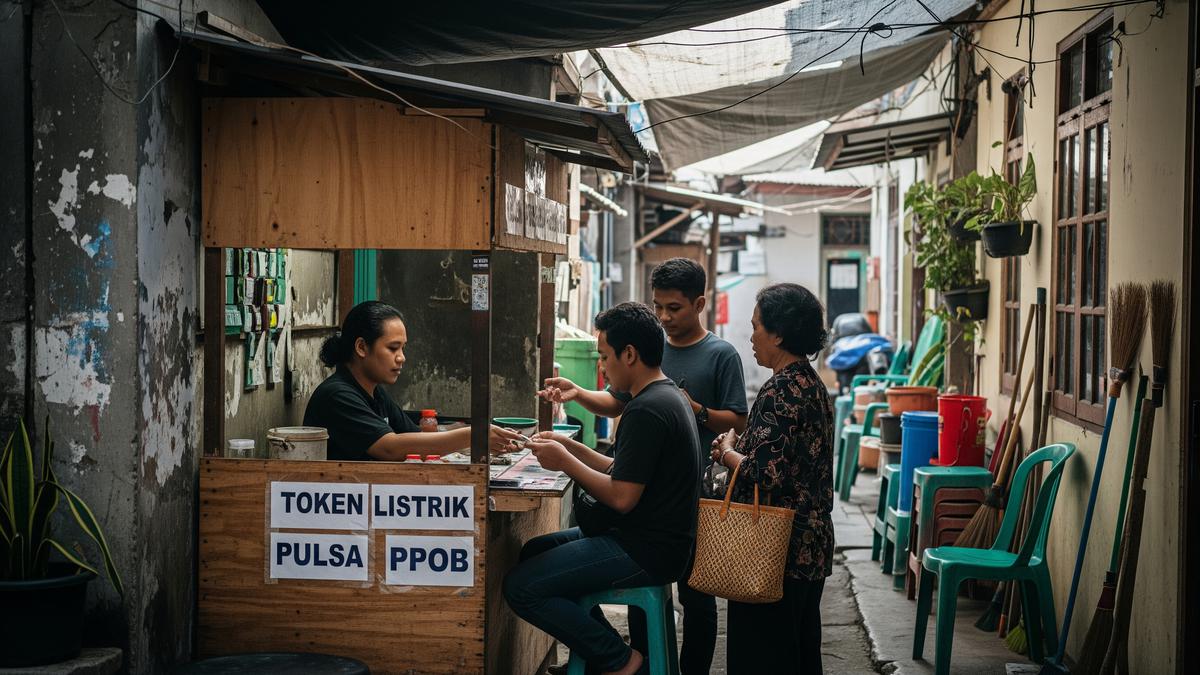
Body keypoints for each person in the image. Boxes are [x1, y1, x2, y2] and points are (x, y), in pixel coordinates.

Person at [537, 257, 746, 674]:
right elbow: (620, 400)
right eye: (658, 307)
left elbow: (738, 420)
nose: (665, 316)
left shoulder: (719, 355)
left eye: (674, 307)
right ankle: (638, 662)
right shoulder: (653, 355)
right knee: (638, 596)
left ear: (699, 303)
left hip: (693, 494)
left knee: (697, 599)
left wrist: (697, 410)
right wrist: (578, 395)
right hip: (649, 492)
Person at [504, 302, 700, 675]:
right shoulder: (665, 395)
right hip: (652, 540)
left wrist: (565, 463)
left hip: (645, 549)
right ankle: (598, 650)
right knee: (534, 551)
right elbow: (623, 470)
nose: (601, 366)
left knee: (520, 587)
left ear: (629, 354)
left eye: (604, 356)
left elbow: (623, 497)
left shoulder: (648, 410)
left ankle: (621, 661)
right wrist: (570, 448)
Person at [708, 283, 835, 675]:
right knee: (798, 653)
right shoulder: (812, 385)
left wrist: (727, 452)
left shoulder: (780, 390)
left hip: (774, 550)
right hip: (808, 547)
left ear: (778, 334)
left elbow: (767, 473)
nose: (752, 337)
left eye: (757, 327)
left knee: (763, 656)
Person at [303, 301, 521, 460]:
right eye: (392, 348)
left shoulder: (374, 393)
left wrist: (482, 441)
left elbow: (416, 438)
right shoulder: (337, 395)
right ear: (361, 347)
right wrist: (473, 436)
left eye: (403, 348)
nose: (401, 357)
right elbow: (390, 448)